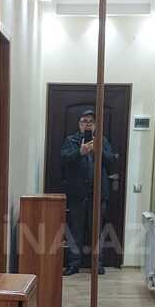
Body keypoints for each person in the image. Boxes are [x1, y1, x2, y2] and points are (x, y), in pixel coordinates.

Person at [60, 107, 118, 276]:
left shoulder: (102, 140)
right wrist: (80, 152)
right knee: (75, 231)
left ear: (96, 125)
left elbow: (112, 161)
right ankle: (74, 264)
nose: (87, 124)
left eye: (90, 122)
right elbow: (64, 159)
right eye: (84, 121)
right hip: (77, 194)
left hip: (98, 194)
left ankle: (97, 264)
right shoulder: (71, 140)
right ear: (79, 124)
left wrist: (98, 150)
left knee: (97, 231)